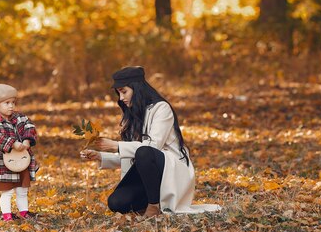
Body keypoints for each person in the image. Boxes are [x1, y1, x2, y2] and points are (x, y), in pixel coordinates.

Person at [80, 66, 221, 217]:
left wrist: (116, 145)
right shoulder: (133, 114)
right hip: (146, 171)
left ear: (137, 88)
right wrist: (101, 156)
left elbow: (151, 148)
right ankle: (150, 201)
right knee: (116, 203)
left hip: (169, 169)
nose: (121, 98)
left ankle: (154, 206)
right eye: (119, 93)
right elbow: (133, 154)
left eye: (124, 91)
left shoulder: (161, 108)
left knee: (144, 152)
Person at [0, 83, 39, 221]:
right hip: (3, 163)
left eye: (13, 102)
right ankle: (7, 215)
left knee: (22, 189)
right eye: (7, 103)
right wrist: (12, 144)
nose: (11, 106)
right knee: (7, 191)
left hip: (21, 161)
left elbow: (29, 126)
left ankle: (24, 212)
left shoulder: (20, 117)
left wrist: (27, 140)